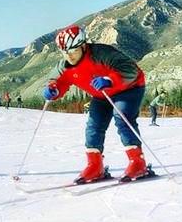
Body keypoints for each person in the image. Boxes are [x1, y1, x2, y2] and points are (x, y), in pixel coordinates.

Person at [42, 24, 148, 183]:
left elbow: (131, 70)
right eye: (65, 52)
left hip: (128, 88)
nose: (69, 56)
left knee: (122, 117)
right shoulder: (65, 65)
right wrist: (53, 90)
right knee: (94, 125)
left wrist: (109, 79)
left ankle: (137, 162)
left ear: (83, 46)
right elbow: (58, 81)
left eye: (73, 51)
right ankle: (95, 165)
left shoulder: (101, 53)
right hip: (101, 95)